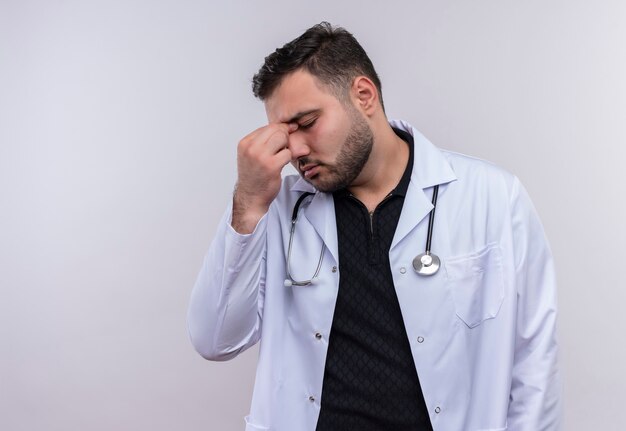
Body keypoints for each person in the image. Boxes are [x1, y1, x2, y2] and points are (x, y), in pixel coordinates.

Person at [187, 22, 561, 431]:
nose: (294, 150)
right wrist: (248, 201)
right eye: (283, 134)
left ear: (363, 95)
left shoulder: (493, 197)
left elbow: (534, 363)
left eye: (307, 122)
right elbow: (215, 340)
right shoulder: (278, 209)